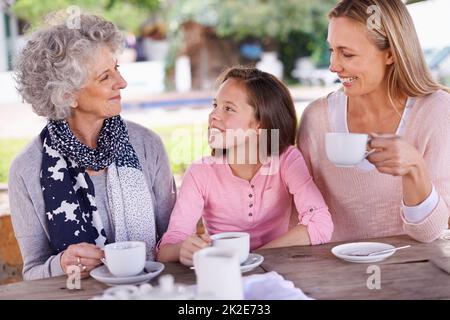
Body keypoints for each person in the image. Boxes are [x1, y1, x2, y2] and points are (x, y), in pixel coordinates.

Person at [9, 13, 176, 280]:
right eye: (104, 76)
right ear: (67, 95)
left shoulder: (148, 146)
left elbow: (172, 242)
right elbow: (33, 271)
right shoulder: (26, 170)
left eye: (117, 69)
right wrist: (62, 264)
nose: (121, 83)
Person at [297, 0, 450, 243]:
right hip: (331, 273)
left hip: (416, 272)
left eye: (347, 54)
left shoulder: (436, 113)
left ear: (390, 54)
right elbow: (298, 215)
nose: (333, 66)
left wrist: (414, 170)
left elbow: (429, 233)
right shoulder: (317, 119)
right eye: (332, 50)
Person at [157, 66, 333, 266]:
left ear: (260, 123)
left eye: (228, 108)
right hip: (223, 272)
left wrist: (252, 258)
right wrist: (183, 249)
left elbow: (320, 224)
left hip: (277, 273)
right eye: (215, 105)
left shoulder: (286, 160)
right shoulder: (201, 172)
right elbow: (166, 250)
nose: (213, 115)